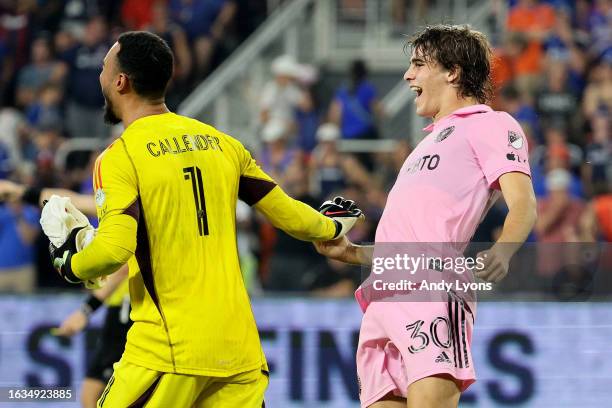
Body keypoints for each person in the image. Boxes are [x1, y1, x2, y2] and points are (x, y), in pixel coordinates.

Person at [47, 31, 361, 407]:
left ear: (120, 81)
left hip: (168, 352)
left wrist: (71, 264)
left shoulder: (120, 156)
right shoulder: (222, 143)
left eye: (103, 67)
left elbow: (115, 248)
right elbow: (290, 214)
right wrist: (332, 225)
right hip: (239, 353)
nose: (100, 75)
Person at [315, 25, 537, 408]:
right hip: (381, 297)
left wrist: (503, 250)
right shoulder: (426, 142)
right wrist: (353, 253)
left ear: (452, 71)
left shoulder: (492, 124)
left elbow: (524, 203)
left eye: (419, 64)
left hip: (432, 289)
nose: (407, 75)